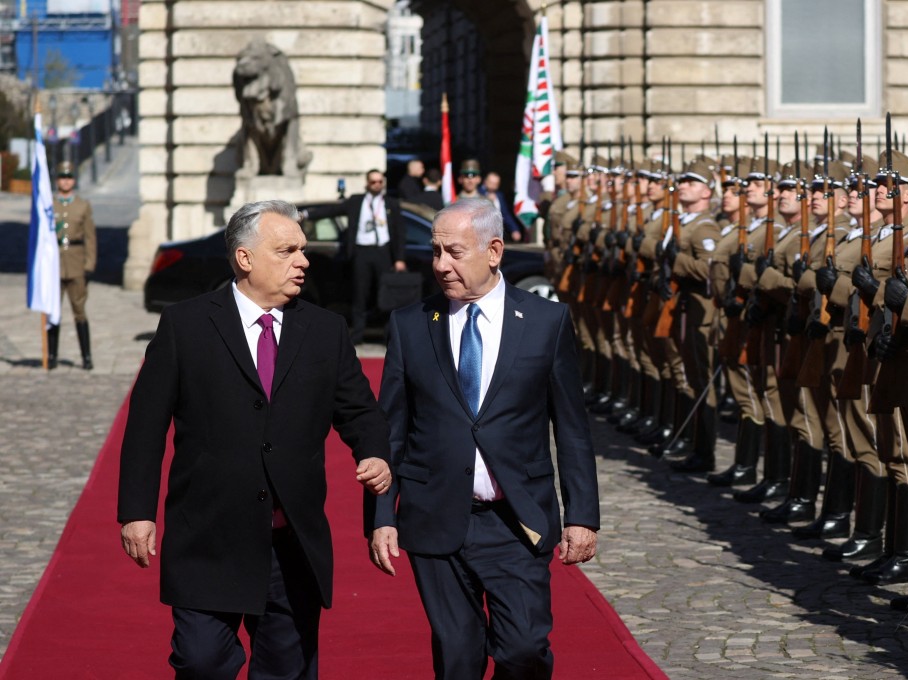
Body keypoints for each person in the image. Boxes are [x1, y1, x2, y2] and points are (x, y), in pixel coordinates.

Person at [118, 200, 393, 678]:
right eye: (286, 251)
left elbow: (361, 413)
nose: (303, 261)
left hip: (291, 547)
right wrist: (137, 511)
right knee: (201, 663)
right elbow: (145, 425)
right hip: (207, 538)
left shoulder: (326, 330)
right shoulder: (186, 325)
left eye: (303, 250)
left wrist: (373, 453)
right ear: (245, 259)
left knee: (287, 669)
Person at [368, 197, 600, 679]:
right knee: (457, 657)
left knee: (524, 651)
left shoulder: (545, 322)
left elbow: (571, 427)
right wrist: (381, 515)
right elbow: (389, 431)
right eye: (435, 253)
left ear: (494, 251)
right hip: (435, 515)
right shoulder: (411, 325)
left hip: (516, 518)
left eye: (453, 252)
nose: (440, 265)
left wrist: (582, 515)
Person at [342, 169, 407, 344]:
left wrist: (399, 258)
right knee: (360, 295)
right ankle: (357, 336)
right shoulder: (357, 201)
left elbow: (400, 232)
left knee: (386, 295)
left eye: (380, 182)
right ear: (367, 184)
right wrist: (306, 214)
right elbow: (332, 209)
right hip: (362, 251)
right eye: (373, 182)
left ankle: (388, 337)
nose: (377, 185)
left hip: (383, 252)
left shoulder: (390, 203)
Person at [50, 160, 97, 370]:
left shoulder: (82, 205)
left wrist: (89, 265)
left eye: (69, 177)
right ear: (57, 180)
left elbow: (90, 237)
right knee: (53, 313)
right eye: (62, 177)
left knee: (79, 310)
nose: (65, 181)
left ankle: (86, 356)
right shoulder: (50, 204)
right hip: (54, 265)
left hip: (76, 264)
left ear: (74, 181)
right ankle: (52, 355)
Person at [480, 171, 524, 242]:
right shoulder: (478, 193)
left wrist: (514, 229)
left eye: (495, 184)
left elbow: (505, 214)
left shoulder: (499, 195)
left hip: (496, 232)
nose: (493, 186)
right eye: (491, 182)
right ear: (485, 181)